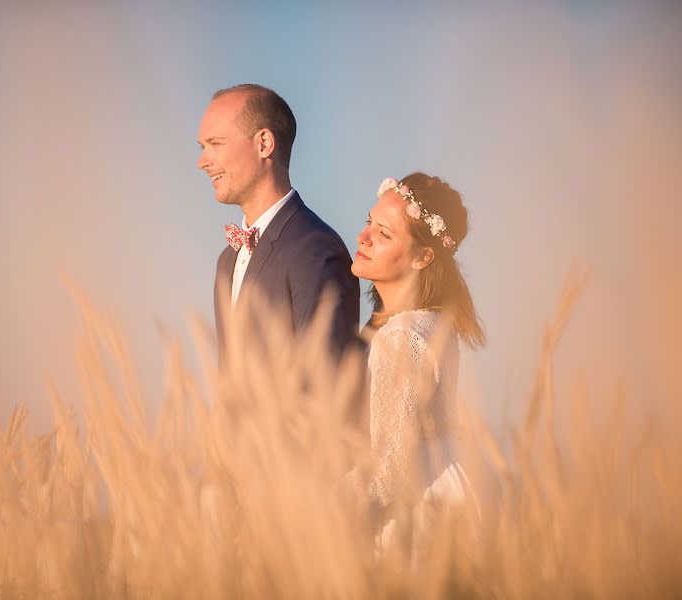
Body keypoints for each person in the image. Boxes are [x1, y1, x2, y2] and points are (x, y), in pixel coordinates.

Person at [350, 173, 486, 547]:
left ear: (424, 256)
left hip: (417, 514)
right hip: (450, 489)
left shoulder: (401, 336)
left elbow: (392, 466)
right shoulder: (433, 321)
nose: (364, 238)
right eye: (368, 223)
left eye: (385, 233)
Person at [196, 84, 359, 358]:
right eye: (202, 147)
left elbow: (326, 381)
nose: (202, 161)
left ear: (264, 144)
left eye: (215, 144)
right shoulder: (227, 260)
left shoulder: (315, 250)